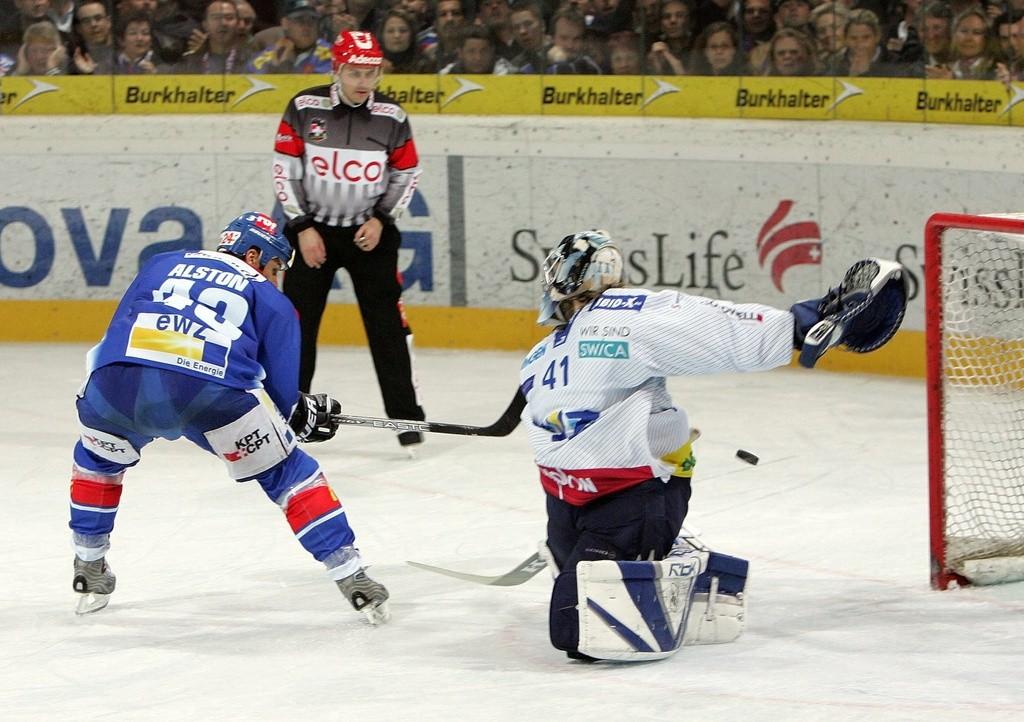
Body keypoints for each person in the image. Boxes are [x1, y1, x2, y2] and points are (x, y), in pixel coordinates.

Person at [518, 230, 907, 661]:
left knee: (574, 631)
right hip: (566, 503)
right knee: (573, 597)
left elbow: (708, 327)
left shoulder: (623, 315)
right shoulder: (542, 352)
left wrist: (803, 324)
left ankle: (680, 562)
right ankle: (663, 557)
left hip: (627, 501)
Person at [68, 211, 391, 625]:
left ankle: (89, 567)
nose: (276, 278)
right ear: (253, 254)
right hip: (205, 393)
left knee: (98, 461)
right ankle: (353, 578)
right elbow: (287, 399)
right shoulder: (271, 298)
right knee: (289, 473)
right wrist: (303, 415)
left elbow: (122, 327)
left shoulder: (162, 262)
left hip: (114, 383)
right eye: (274, 267)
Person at [273, 30, 426, 452]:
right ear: (336, 69)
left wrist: (381, 219)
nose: (364, 81)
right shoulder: (304, 107)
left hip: (369, 234)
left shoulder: (392, 116)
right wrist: (302, 227)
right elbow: (285, 170)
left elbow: (407, 173)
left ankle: (408, 419)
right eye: (355, 72)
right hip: (312, 232)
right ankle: (291, 414)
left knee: (387, 329)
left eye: (371, 73)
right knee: (297, 330)